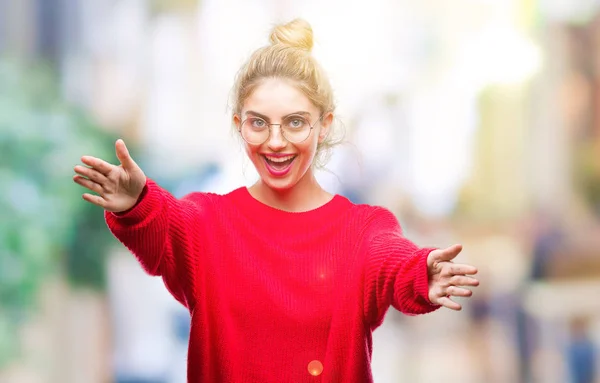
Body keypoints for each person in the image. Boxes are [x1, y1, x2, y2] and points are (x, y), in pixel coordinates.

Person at [73, 18, 479, 383]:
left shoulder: (363, 228)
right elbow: (163, 223)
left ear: (325, 125)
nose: (276, 142)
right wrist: (135, 202)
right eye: (258, 123)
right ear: (239, 125)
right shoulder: (208, 223)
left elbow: (391, 262)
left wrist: (420, 274)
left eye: (296, 122)